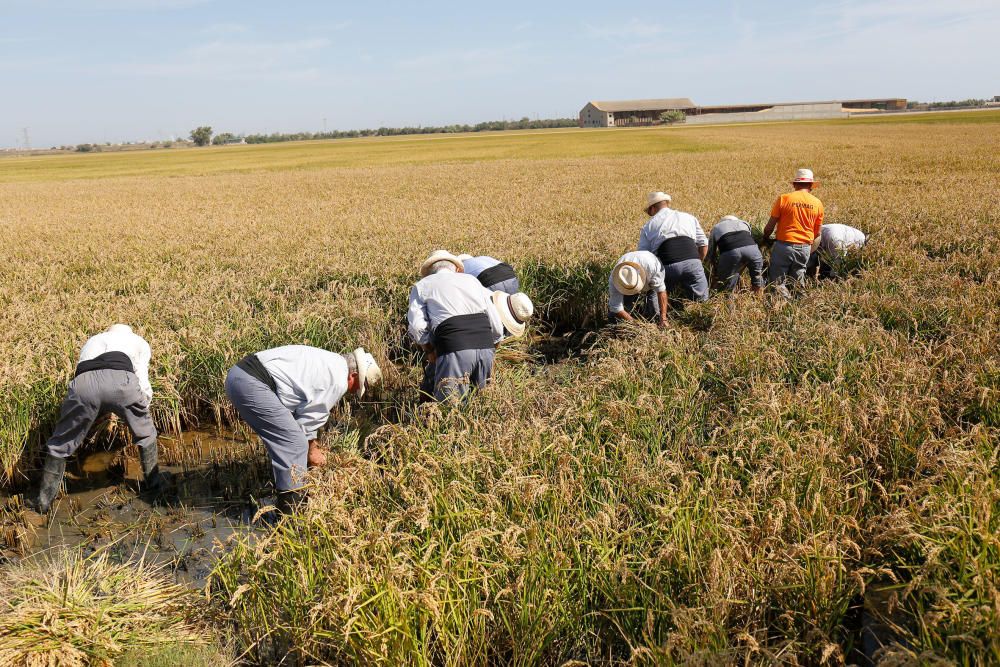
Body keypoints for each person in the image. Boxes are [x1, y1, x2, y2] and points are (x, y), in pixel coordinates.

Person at [224, 345, 381, 514]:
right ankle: (291, 515)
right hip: (251, 382)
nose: (353, 392)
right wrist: (313, 453)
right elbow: (307, 425)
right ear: (354, 376)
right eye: (357, 387)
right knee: (295, 444)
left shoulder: (332, 363)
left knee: (291, 440)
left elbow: (302, 413)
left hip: (240, 376)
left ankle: (290, 498)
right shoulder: (338, 379)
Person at [30, 324, 161, 514]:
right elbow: (143, 382)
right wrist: (139, 413)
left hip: (83, 385)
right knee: (146, 434)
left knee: (60, 444)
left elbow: (87, 377)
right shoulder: (139, 342)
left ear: (107, 331)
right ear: (130, 332)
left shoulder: (92, 340)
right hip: (122, 382)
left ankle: (42, 503)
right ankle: (154, 490)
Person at [408, 250, 504, 402]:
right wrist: (492, 347)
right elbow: (495, 321)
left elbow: (417, 326)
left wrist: (430, 351)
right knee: (481, 404)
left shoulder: (422, 286)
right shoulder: (472, 281)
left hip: (454, 347)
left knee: (449, 409)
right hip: (485, 344)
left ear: (430, 272)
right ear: (455, 268)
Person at [637, 191, 709, 302]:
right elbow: (703, 244)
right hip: (693, 261)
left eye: (649, 212)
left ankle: (657, 316)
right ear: (666, 204)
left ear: (653, 208)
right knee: (702, 302)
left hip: (667, 265)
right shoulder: (689, 217)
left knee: (655, 294)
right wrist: (698, 262)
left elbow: (644, 256)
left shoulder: (648, 226)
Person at [762, 168, 825, 293]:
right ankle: (798, 307)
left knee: (777, 283)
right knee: (797, 282)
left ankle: (782, 307)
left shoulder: (784, 198)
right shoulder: (818, 203)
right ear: (811, 186)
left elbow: (769, 227)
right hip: (805, 248)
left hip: (784, 246)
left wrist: (765, 238)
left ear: (795, 184)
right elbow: (817, 233)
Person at [607, 250, 668, 326]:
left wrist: (663, 317)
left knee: (654, 307)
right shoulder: (616, 280)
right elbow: (616, 307)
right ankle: (614, 328)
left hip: (649, 269)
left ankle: (658, 323)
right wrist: (636, 324)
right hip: (637, 271)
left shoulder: (651, 267)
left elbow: (661, 291)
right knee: (617, 314)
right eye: (628, 289)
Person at [707, 215, 764, 293]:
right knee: (757, 278)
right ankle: (758, 299)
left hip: (731, 252)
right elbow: (748, 240)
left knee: (727, 284)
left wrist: (713, 271)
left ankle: (728, 301)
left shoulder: (716, 228)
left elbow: (710, 253)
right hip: (754, 251)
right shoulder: (744, 223)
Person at [456, 254, 520, 294]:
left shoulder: (461, 267)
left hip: (489, 279)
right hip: (510, 275)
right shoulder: (483, 257)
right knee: (512, 305)